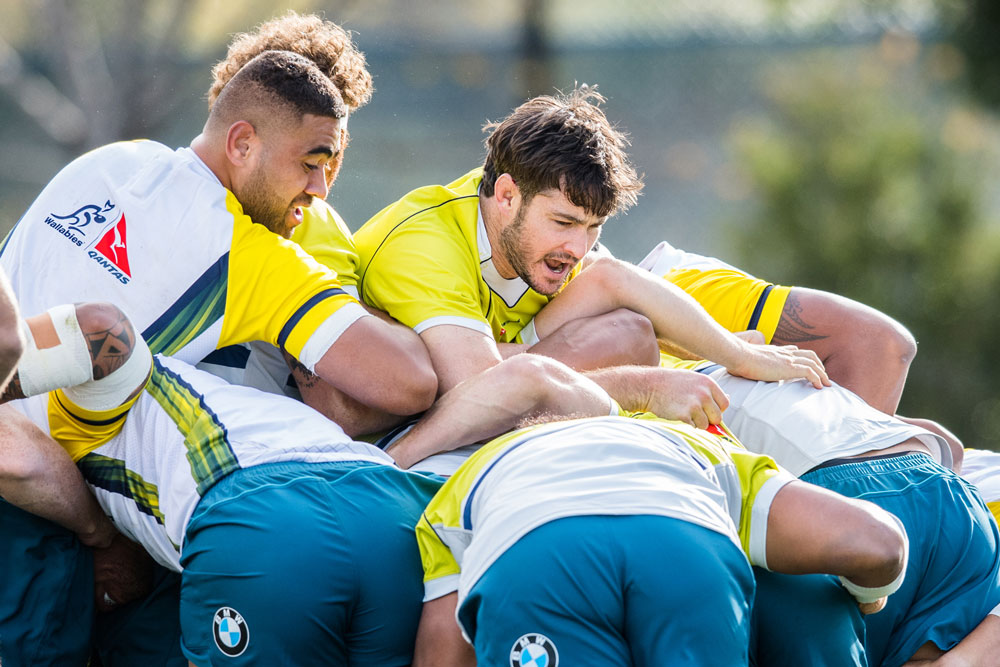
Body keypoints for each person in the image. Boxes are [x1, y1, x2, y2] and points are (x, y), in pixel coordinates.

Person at [0, 50, 435, 666]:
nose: (319, 190)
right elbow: (408, 382)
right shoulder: (247, 254)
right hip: (52, 522)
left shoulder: (105, 160)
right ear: (242, 143)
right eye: (312, 163)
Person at [486, 251, 1000, 667]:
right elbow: (941, 440)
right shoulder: (724, 351)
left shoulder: (639, 399)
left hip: (832, 495)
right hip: (949, 500)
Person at [353, 86, 830, 430]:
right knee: (623, 334)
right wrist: (648, 383)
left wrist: (735, 354)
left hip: (482, 361)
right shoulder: (424, 246)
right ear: (504, 196)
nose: (578, 249)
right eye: (563, 223)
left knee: (625, 321)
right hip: (396, 414)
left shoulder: (542, 224)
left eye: (594, 228)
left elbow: (613, 280)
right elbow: (479, 382)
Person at [1, 300, 442, 666]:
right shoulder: (229, 396)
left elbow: (99, 326)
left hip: (263, 513)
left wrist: (95, 531)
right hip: (394, 504)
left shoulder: (82, 400)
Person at [386, 362, 909, 666]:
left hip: (532, 556)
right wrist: (869, 594)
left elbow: (441, 651)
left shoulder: (461, 482)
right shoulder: (694, 443)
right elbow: (878, 542)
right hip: (682, 544)